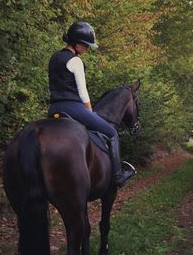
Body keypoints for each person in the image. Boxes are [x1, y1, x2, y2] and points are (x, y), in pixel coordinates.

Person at [48, 21, 135, 187]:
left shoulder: (54, 57)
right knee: (111, 133)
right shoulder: (75, 61)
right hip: (73, 108)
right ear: (77, 43)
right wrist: (90, 112)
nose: (87, 49)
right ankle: (117, 176)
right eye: (86, 45)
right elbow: (83, 93)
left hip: (53, 108)